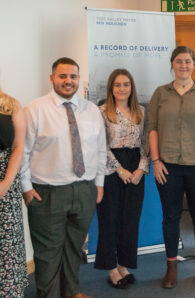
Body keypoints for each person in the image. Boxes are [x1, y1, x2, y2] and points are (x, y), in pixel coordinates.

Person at [21, 57, 107, 298]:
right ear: (52, 79)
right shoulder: (35, 109)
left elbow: (100, 149)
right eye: (62, 76)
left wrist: (99, 184)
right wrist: (26, 189)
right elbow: (23, 152)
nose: (68, 81)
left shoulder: (91, 111)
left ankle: (71, 290)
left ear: (79, 79)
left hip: (84, 190)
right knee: (48, 252)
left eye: (73, 76)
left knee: (73, 246)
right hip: (47, 192)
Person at [148, 46, 195, 289]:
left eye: (188, 61)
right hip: (167, 167)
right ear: (172, 65)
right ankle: (171, 266)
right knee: (170, 217)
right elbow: (153, 128)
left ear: (194, 64)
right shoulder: (160, 93)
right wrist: (155, 161)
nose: (184, 65)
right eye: (179, 61)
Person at [94, 69, 149, 289]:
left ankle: (124, 264)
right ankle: (111, 268)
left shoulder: (141, 112)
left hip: (135, 167)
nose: (121, 88)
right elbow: (101, 145)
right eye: (117, 85)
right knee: (110, 220)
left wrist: (140, 169)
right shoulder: (102, 111)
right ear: (111, 88)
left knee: (130, 221)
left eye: (126, 84)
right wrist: (120, 169)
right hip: (111, 170)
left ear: (131, 88)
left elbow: (145, 143)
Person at [0, 91, 28, 297]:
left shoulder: (12, 105)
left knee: (7, 242)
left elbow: (18, 146)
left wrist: (6, 183)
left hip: (5, 181)